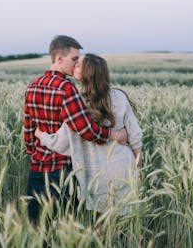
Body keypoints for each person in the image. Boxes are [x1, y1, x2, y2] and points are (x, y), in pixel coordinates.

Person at [23, 35, 128, 225]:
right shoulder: (66, 88)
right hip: (63, 172)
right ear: (59, 58)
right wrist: (115, 134)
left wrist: (36, 156)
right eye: (74, 59)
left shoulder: (32, 86)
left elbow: (29, 133)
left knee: (38, 230)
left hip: (36, 172)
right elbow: (87, 130)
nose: (76, 64)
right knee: (65, 229)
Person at [34, 53, 142, 216]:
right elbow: (135, 136)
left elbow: (61, 143)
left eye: (78, 65)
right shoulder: (119, 96)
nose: (74, 65)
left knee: (102, 225)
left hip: (97, 174)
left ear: (86, 74)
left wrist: (41, 135)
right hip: (124, 167)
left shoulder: (76, 104)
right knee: (124, 223)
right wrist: (138, 168)